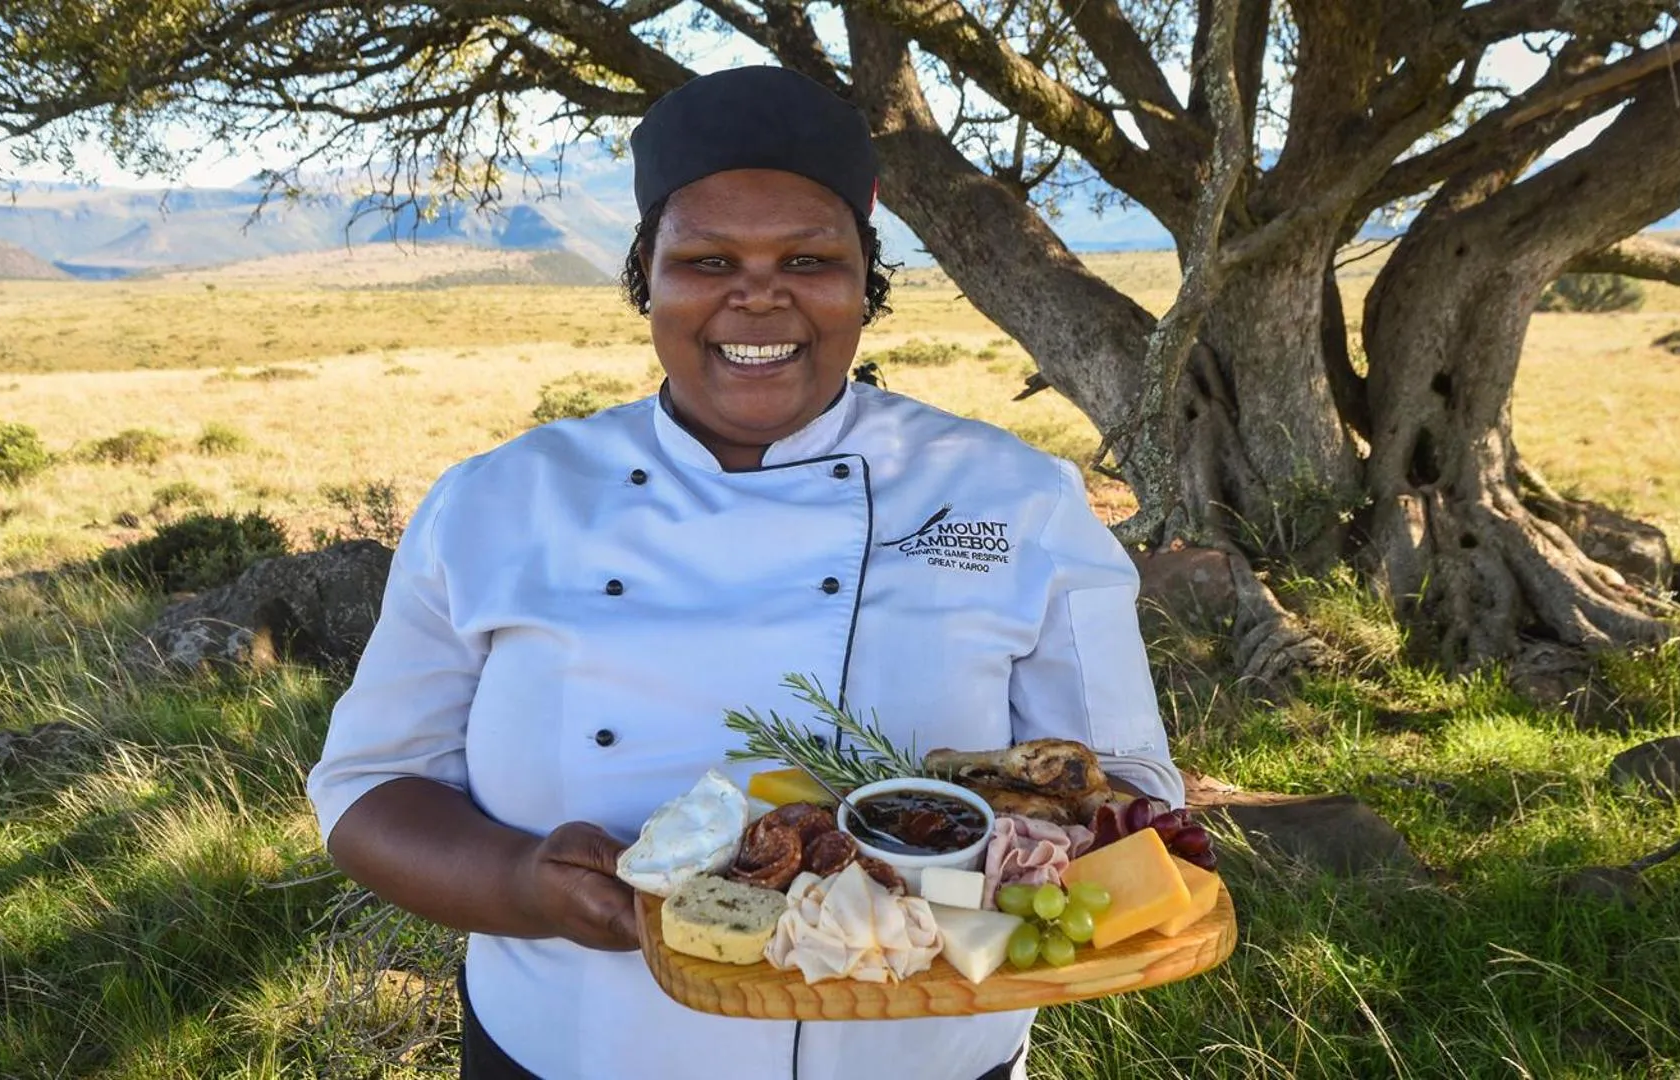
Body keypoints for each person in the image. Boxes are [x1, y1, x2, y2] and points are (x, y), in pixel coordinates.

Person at [308, 65, 1185, 1080]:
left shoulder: (1013, 497)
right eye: (707, 258)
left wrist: (1014, 855)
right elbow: (372, 787)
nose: (756, 294)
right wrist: (521, 881)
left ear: (866, 279)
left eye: (808, 258)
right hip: (572, 1051)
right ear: (649, 279)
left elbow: (1131, 792)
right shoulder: (498, 503)